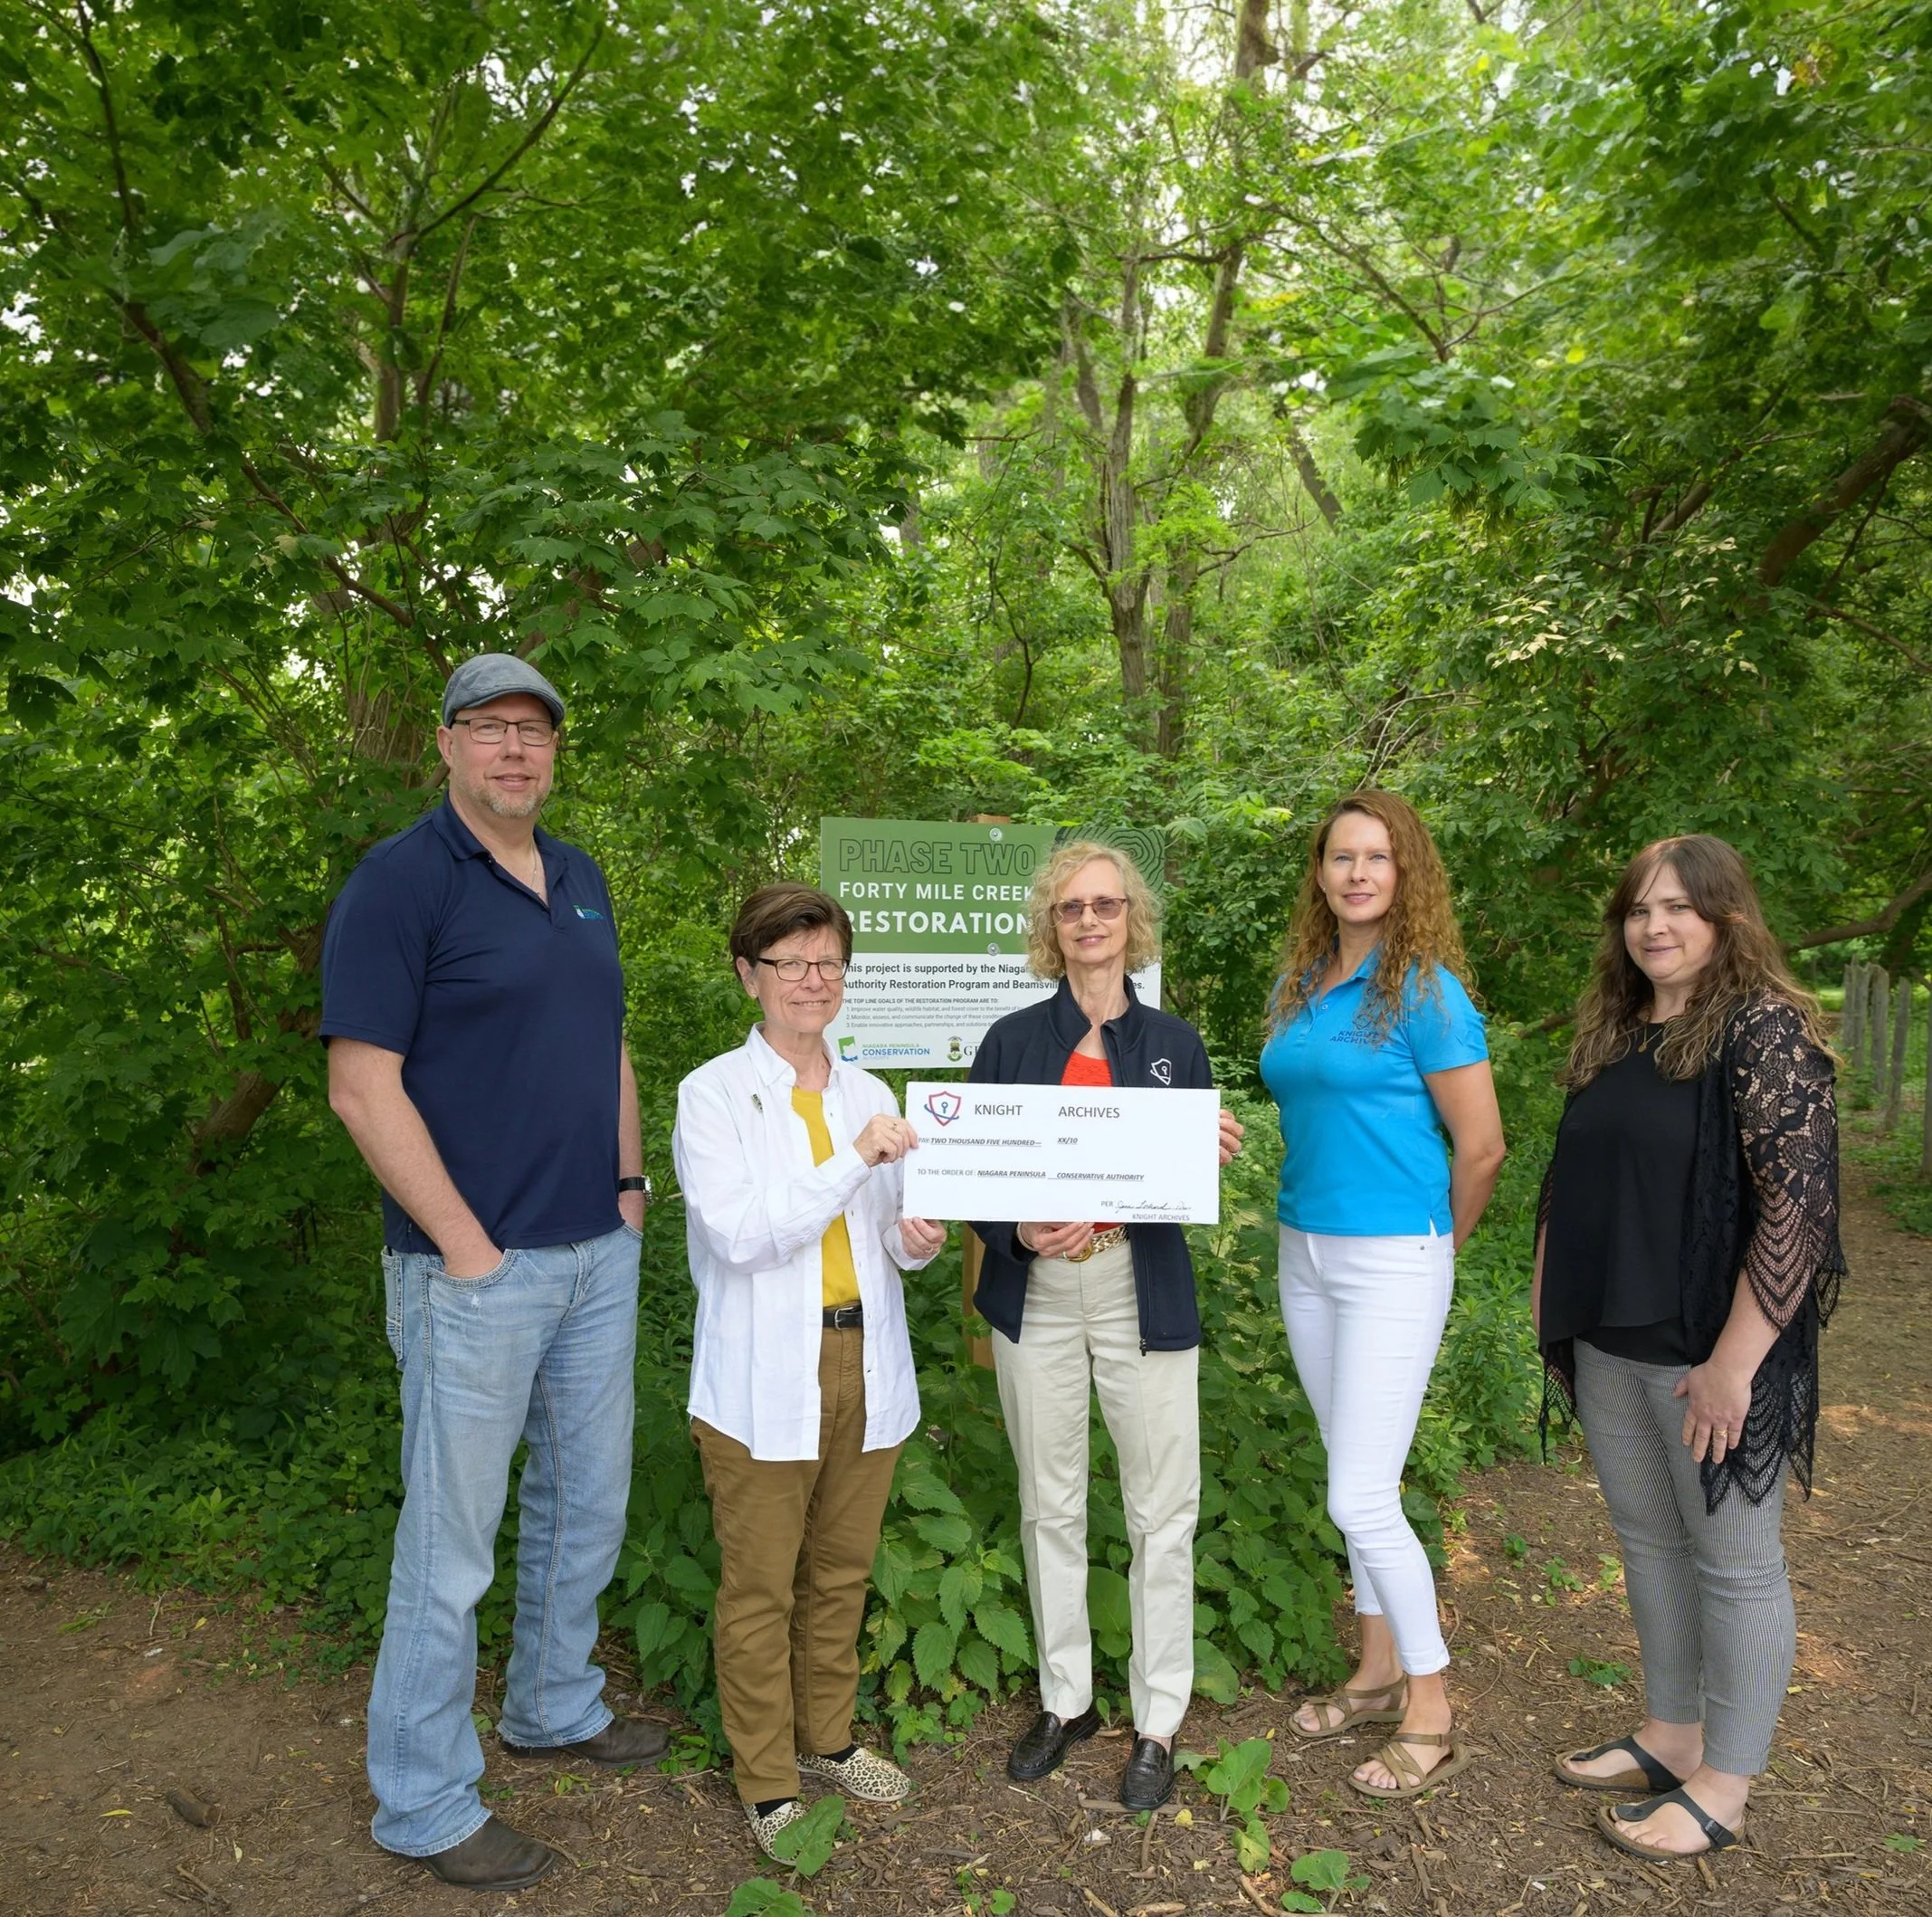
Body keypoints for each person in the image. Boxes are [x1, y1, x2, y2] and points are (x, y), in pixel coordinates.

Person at [320, 654, 665, 1894]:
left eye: (535, 730)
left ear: (554, 751)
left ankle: (552, 1705)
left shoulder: (578, 877)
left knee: (586, 1501)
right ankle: (420, 1800)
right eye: (490, 727)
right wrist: (466, 1245)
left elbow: (606, 1038)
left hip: (592, 1250)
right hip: (468, 1271)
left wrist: (626, 1193)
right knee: (451, 1543)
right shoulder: (401, 882)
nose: (514, 748)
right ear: (449, 743)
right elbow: (361, 1084)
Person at [1536, 835, 1843, 1864]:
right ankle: (1671, 1734)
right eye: (1636, 910)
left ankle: (1724, 1783)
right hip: (1609, 1341)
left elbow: (1794, 1213)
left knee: (1734, 1564)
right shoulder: (1618, 1029)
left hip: (1709, 1353)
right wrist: (1552, 1312)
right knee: (1648, 1542)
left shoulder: (1762, 1031)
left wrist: (1731, 1364)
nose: (1653, 926)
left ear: (1724, 917)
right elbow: (1578, 1181)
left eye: (1676, 908)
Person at [967, 842, 1243, 1813]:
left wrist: (1203, 1148)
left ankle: (1157, 1717)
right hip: (1037, 1293)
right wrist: (1016, 1229)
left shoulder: (1174, 1043)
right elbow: (973, 1182)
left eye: (1106, 906)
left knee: (1159, 1508)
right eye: (1071, 908)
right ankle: (1064, 1699)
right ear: (1051, 925)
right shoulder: (1009, 1041)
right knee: (1048, 1501)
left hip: (1139, 1288)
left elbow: (1180, 1181)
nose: (1089, 921)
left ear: (1132, 921)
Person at [672, 884, 947, 1858]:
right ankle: (765, 1779)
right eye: (788, 963)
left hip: (864, 1362)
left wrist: (918, 1235)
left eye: (826, 962)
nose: (810, 981)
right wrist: (849, 1163)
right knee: (759, 1586)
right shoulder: (712, 1093)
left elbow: (896, 1243)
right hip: (761, 1377)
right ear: (750, 975)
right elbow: (743, 1237)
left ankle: (826, 1739)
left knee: (839, 1572)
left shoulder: (869, 1093)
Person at [1260, 790, 1505, 1800]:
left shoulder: (1426, 993)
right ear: (1319, 874)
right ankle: (1372, 1671)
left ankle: (1431, 1708)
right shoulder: (1302, 981)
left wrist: (1429, 1250)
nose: (1356, 873)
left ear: (1406, 873)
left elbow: (1481, 1146)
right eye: (1339, 857)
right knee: (1357, 1475)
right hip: (1302, 1251)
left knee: (1357, 1492)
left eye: (1377, 857)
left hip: (1391, 1259)